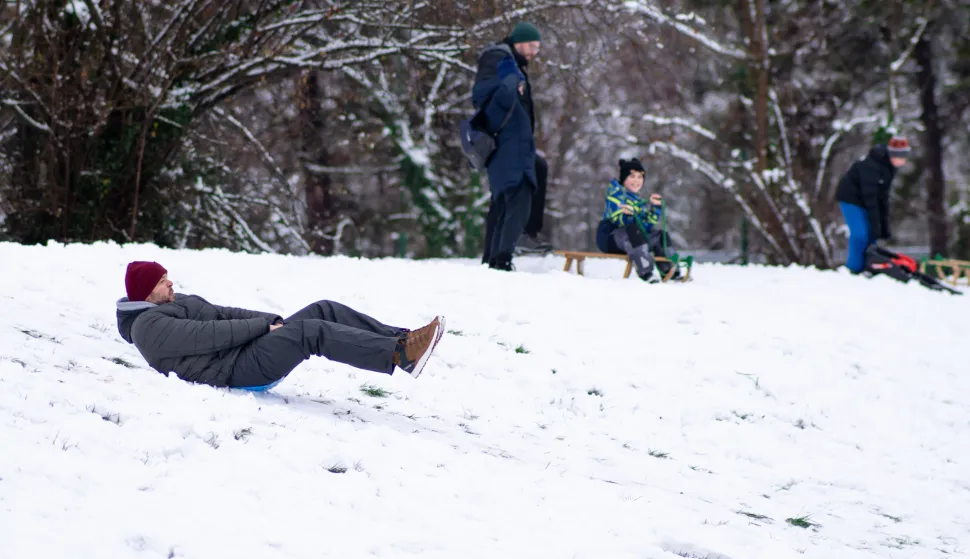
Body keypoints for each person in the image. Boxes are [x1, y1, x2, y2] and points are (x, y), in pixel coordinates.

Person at [115, 261, 445, 389]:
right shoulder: (147, 327)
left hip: (245, 350)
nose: (171, 283)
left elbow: (222, 313)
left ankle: (404, 340)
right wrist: (263, 330)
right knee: (310, 331)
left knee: (323, 309)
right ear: (146, 292)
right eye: (162, 281)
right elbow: (207, 336)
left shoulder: (175, 302)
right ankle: (400, 355)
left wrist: (269, 321)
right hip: (234, 370)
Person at [473, 21, 549, 270]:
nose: (533, 52)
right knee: (518, 196)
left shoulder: (508, 62)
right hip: (508, 145)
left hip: (511, 144)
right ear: (517, 41)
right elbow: (492, 101)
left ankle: (494, 258)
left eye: (537, 48)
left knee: (504, 201)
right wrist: (510, 82)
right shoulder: (501, 59)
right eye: (530, 46)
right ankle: (502, 259)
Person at [835, 135, 911, 274]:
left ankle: (869, 267)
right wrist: (876, 225)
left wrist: (883, 228)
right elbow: (871, 197)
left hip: (865, 200)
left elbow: (882, 199)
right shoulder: (872, 166)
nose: (901, 160)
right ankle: (853, 270)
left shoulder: (890, 167)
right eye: (898, 156)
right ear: (891, 154)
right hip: (851, 199)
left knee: (872, 236)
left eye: (903, 157)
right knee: (860, 235)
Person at [595, 158, 680, 281]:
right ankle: (646, 273)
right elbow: (619, 221)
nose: (636, 181)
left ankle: (670, 270)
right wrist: (627, 214)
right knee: (632, 231)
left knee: (661, 235)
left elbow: (646, 227)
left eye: (640, 177)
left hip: (632, 239)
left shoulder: (638, 201)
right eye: (632, 176)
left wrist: (655, 208)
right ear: (624, 179)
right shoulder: (615, 195)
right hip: (610, 238)